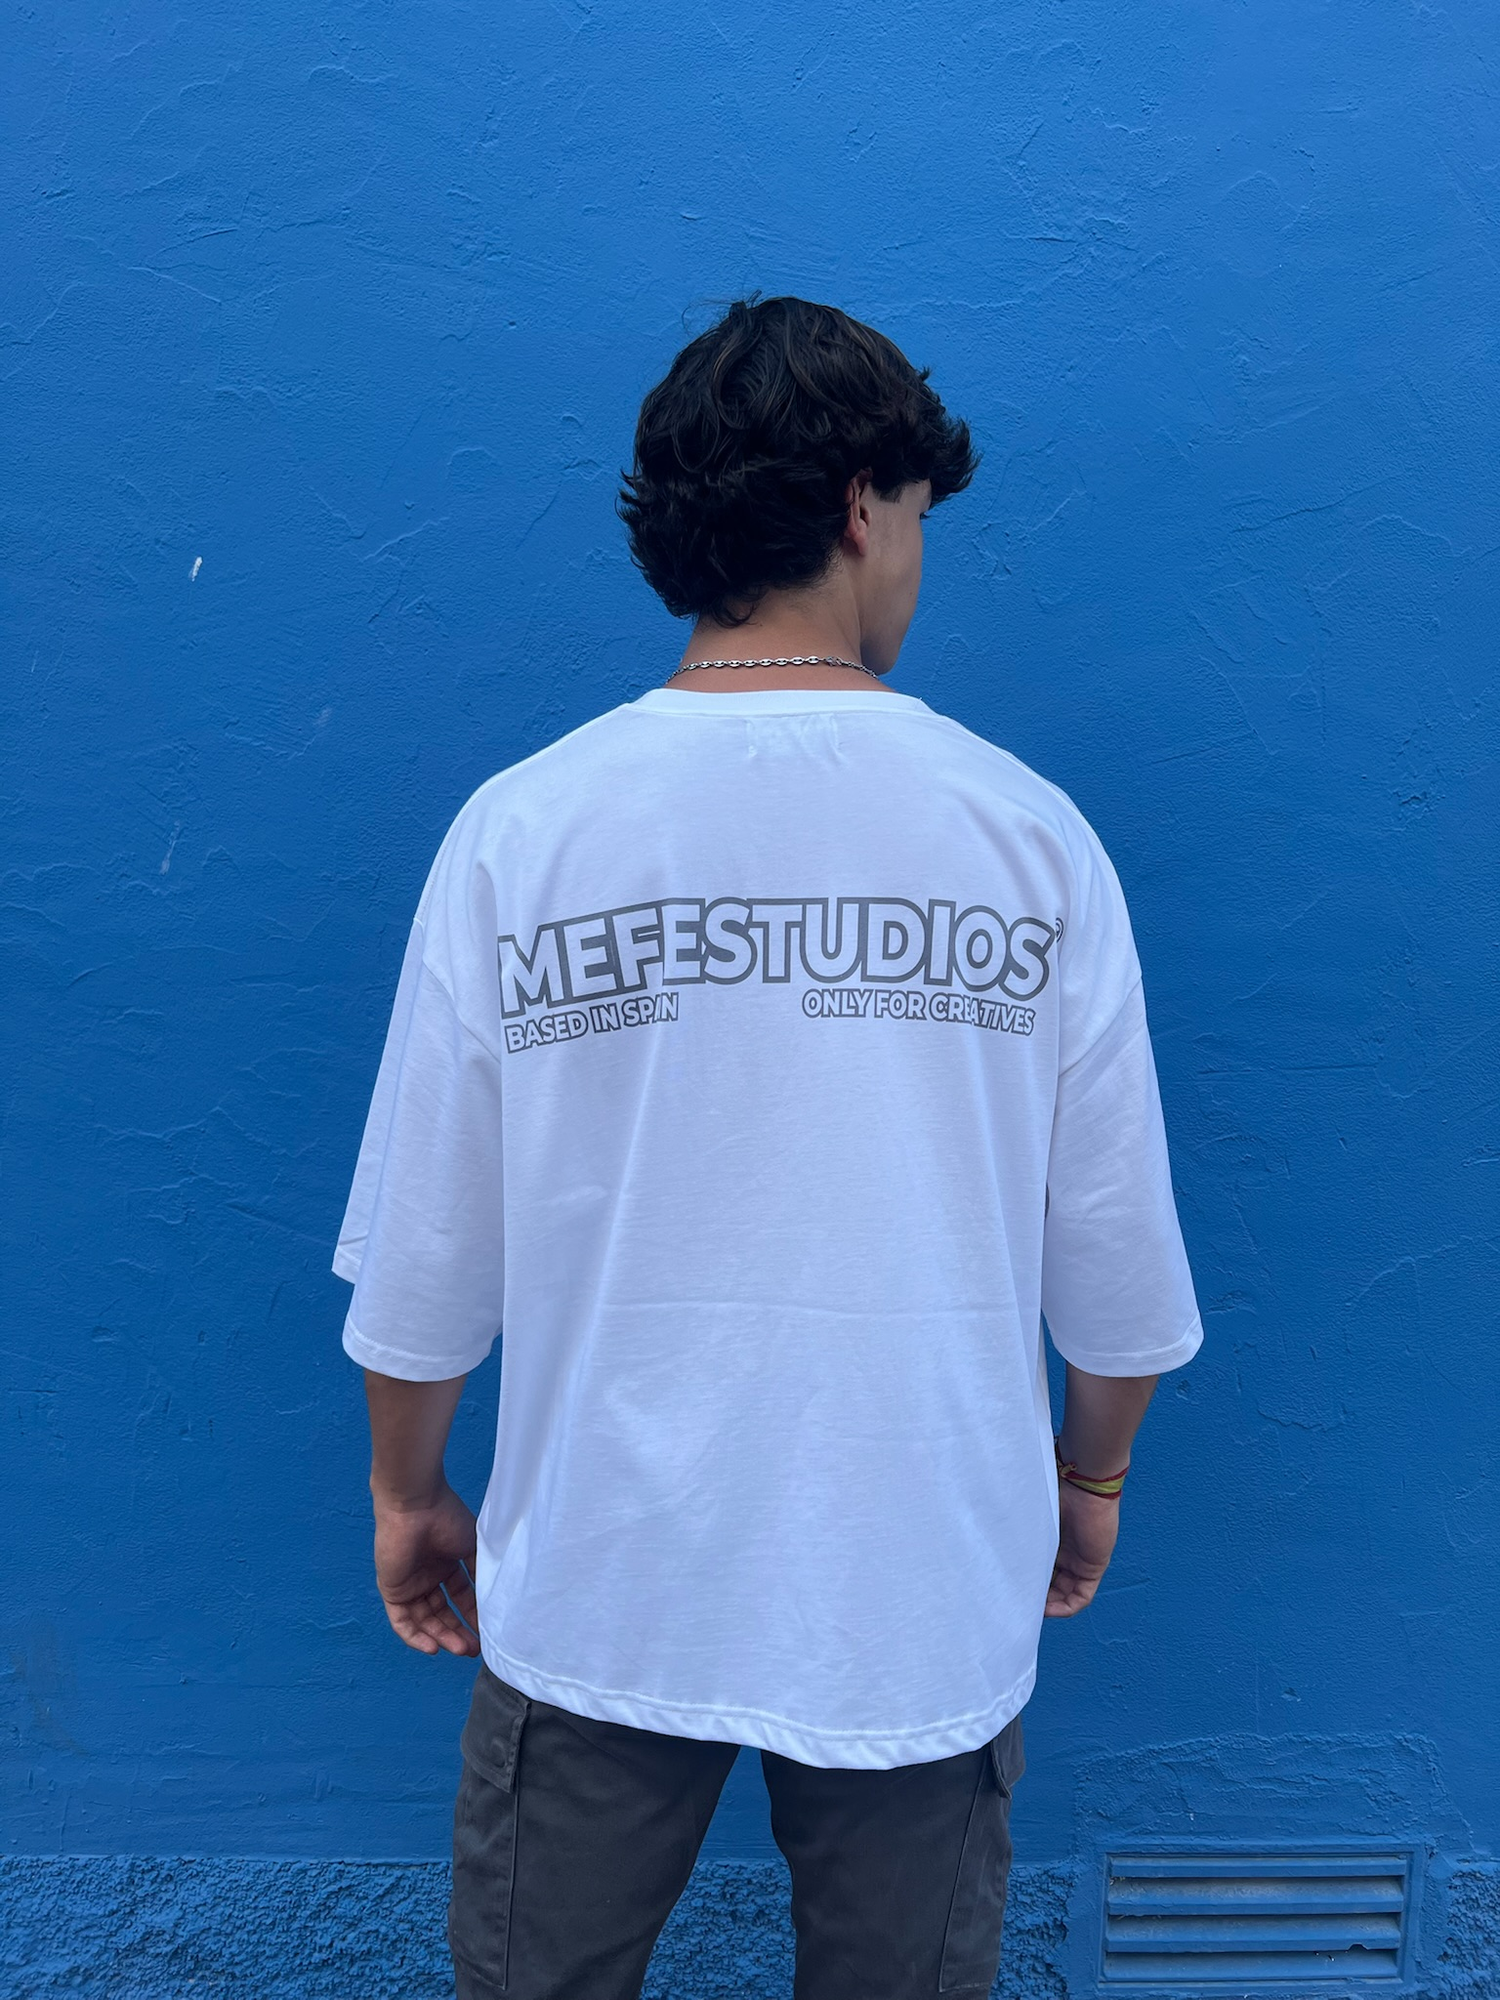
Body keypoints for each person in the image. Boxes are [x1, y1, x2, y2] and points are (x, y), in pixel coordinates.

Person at [333, 296, 1202, 2000]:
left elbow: (427, 1265)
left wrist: (409, 1494)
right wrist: (1087, 1486)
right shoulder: (1027, 840)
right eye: (921, 519)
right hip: (921, 1594)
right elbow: (1116, 1282)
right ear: (866, 507)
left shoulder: (525, 831)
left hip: (601, 1586)